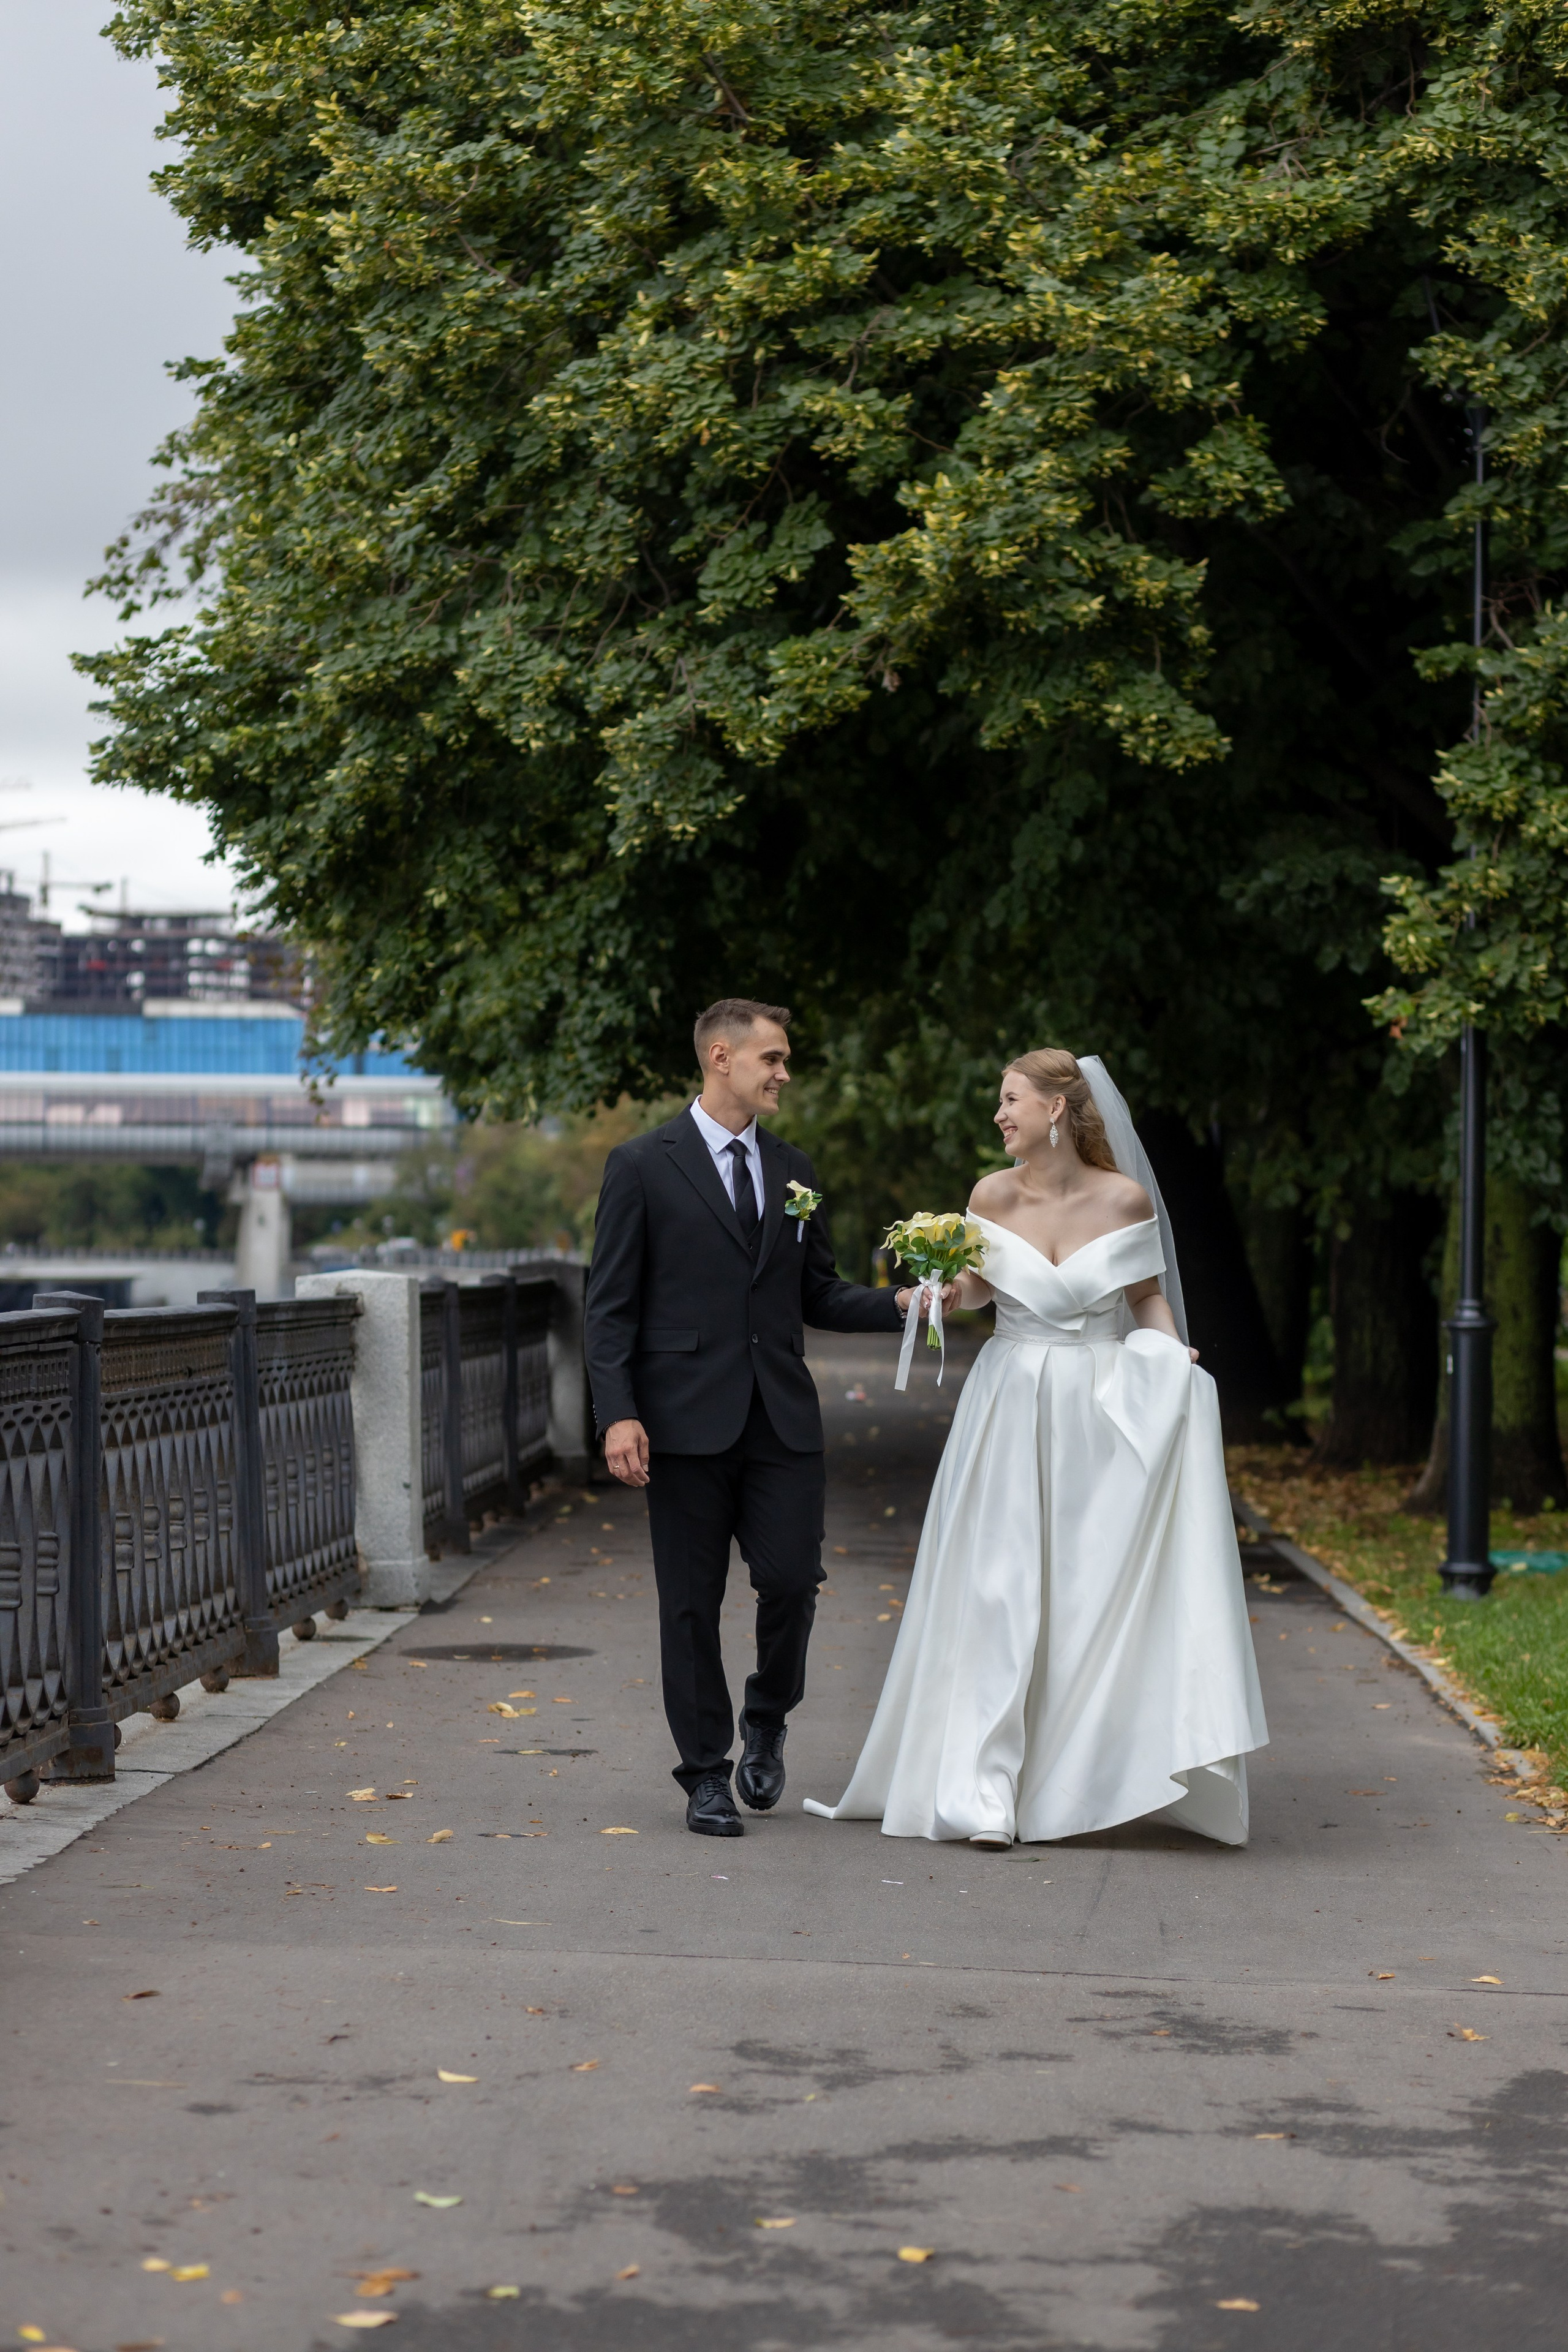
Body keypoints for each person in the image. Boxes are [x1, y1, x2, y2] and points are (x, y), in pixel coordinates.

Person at [805, 1049, 1268, 1849]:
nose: (999, 1115)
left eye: (1010, 1099)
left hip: (1098, 1406)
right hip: (1010, 1402)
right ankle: (983, 1788)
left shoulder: (1123, 1200)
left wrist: (1174, 1357)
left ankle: (1076, 1771)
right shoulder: (990, 1194)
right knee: (997, 1587)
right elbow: (984, 1287)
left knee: (1085, 1590)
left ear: (1057, 1107)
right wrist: (949, 1291)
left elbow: (1145, 1296)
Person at [585, 998, 949, 1838]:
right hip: (680, 1421)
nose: (784, 1073)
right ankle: (705, 1773)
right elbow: (607, 1307)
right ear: (723, 1056)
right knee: (690, 1603)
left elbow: (813, 1290)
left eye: (784, 1061)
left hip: (780, 1417)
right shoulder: (642, 1165)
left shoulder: (794, 1168)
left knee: (791, 1581)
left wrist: (902, 1301)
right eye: (773, 1059)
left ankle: (768, 1714)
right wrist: (618, 1415)